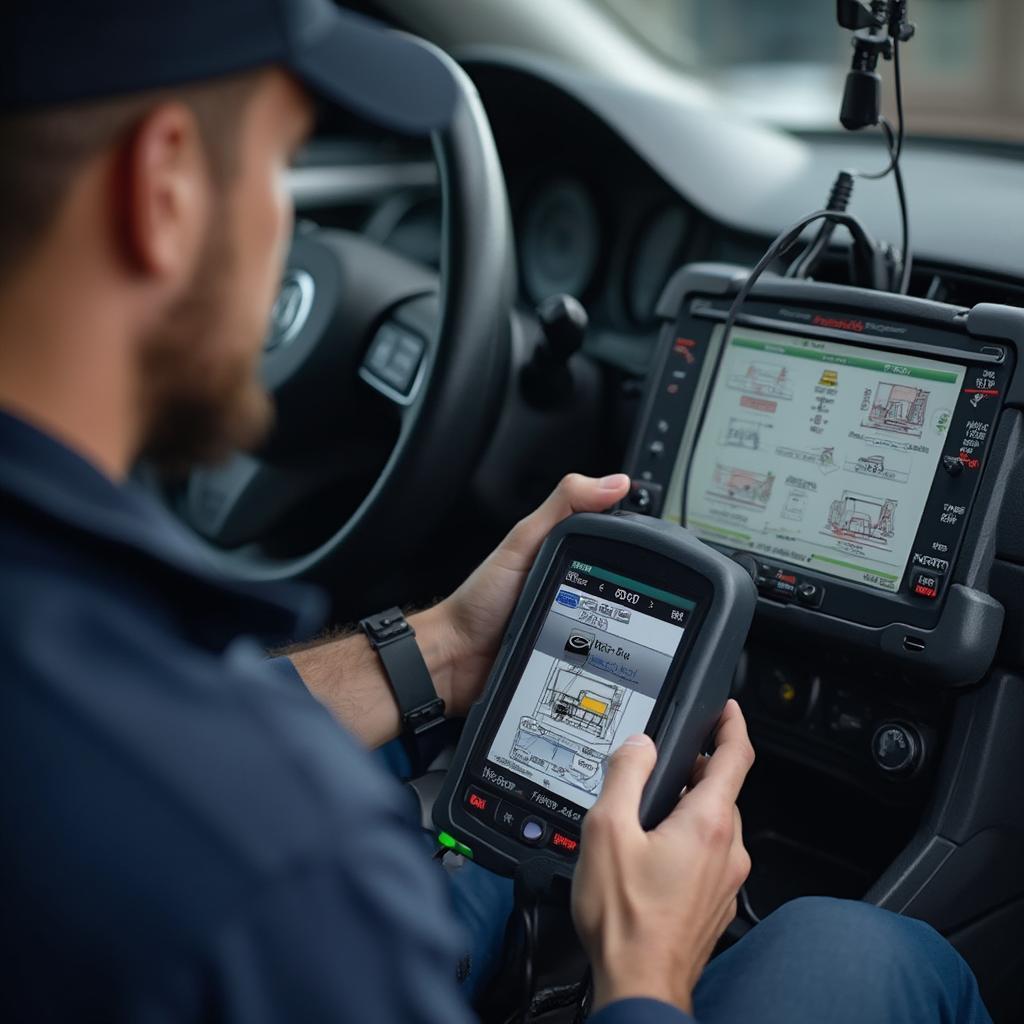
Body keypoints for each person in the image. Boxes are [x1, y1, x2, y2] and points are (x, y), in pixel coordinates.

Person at [0, 2, 992, 1022]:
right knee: (859, 949)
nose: (285, 238)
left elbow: (183, 739)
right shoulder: (281, 877)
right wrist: (642, 970)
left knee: (483, 840)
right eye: (279, 169)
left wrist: (438, 645)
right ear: (161, 189)